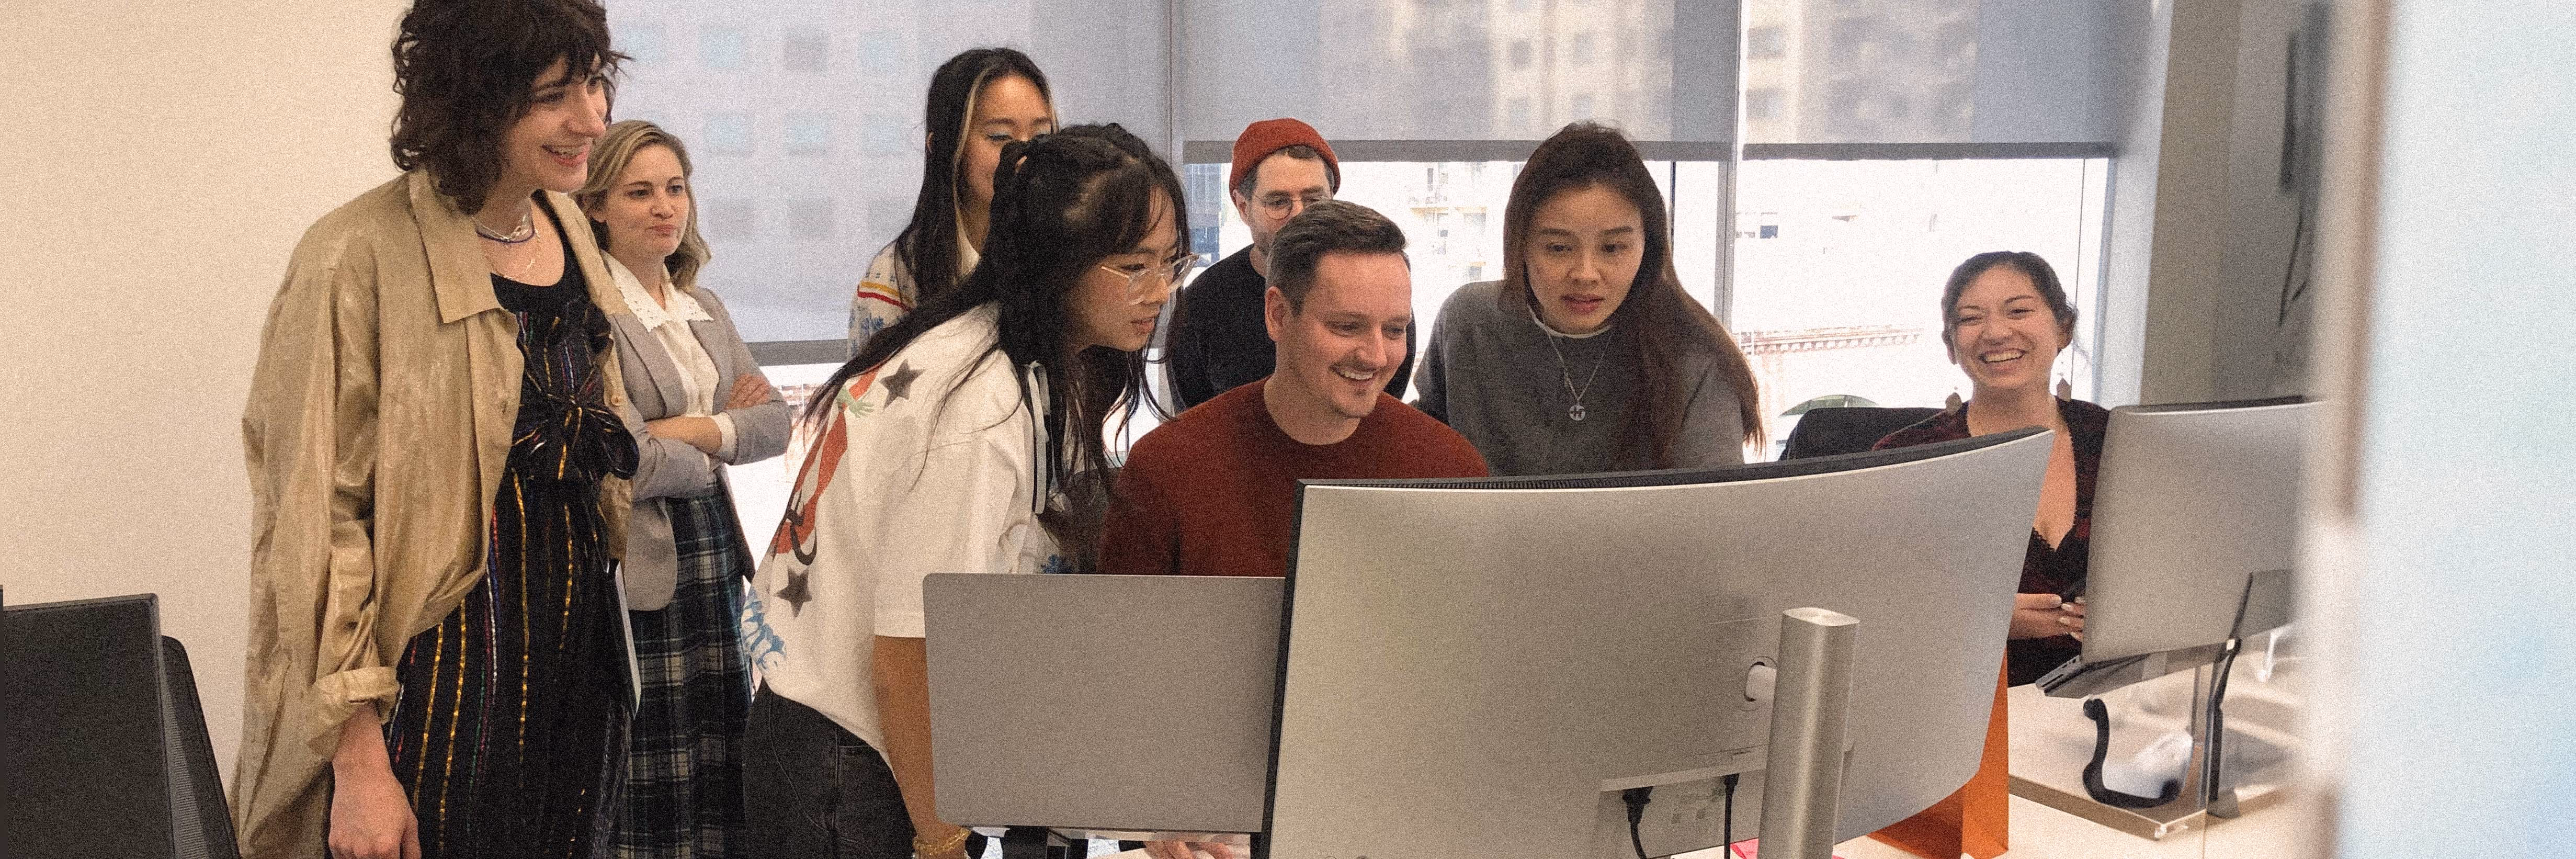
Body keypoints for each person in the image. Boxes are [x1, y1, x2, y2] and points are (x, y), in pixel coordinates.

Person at [233, 3, 637, 857]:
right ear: (475, 98)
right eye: (554, 97)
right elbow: (314, 524)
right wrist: (360, 763)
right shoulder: (354, 254)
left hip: (575, 671)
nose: (593, 120)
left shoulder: (568, 224)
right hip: (437, 687)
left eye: (595, 84)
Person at [742, 124, 1186, 859]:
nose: (1159, 291)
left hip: (857, 734)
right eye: (1133, 266)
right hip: (852, 757)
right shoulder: (979, 406)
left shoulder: (1013, 351)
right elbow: (906, 653)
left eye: (1170, 261)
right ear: (1054, 263)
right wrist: (943, 841)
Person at [577, 119, 790, 858]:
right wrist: (719, 433)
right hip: (640, 565)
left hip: (714, 551)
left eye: (675, 188)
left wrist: (687, 429)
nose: (665, 206)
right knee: (653, 766)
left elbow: (775, 424)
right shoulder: (589, 315)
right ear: (595, 206)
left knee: (721, 748)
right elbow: (621, 459)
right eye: (639, 192)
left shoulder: (705, 306)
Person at [1098, 200, 1487, 582]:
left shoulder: (1450, 471)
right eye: (1346, 327)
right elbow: (1122, 622)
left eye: (1394, 330)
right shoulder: (1167, 469)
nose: (1376, 356)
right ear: (1278, 315)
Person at [1866, 251, 2101, 859]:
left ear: (2062, 328)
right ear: (1951, 346)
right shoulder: (1907, 459)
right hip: (1962, 739)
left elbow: (2170, 572)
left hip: (2102, 724)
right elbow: (1871, 613)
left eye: (2018, 311)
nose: (1995, 332)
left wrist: (2130, 608)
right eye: (1970, 319)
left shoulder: (2119, 442)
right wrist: (1984, 617)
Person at [1413, 122, 1762, 476]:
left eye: (1612, 248)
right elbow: (1419, 453)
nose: (1585, 274)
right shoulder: (1469, 321)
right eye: (1558, 248)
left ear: (1648, 248)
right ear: (1520, 245)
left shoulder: (1694, 355)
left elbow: (1712, 503)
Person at [1165, 119, 1414, 409]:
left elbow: (1383, 405)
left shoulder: (1378, 292)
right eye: (1278, 202)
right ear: (1243, 207)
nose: (1299, 215)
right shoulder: (1203, 303)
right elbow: (1193, 418)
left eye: (1314, 200)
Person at [847, 48, 1056, 352]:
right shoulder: (897, 277)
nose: (1024, 155)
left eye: (1041, 137)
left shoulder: (1071, 252)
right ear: (944, 146)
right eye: (1000, 136)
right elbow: (871, 383)